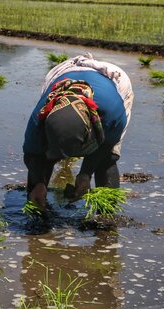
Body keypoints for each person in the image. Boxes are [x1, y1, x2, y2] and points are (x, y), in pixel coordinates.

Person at [23, 53, 134, 210]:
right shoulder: (38, 120)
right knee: (43, 158)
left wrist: (85, 174)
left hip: (113, 81)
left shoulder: (112, 115)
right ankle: (38, 205)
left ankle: (107, 216)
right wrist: (39, 183)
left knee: (106, 159)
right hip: (61, 75)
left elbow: (105, 146)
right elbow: (33, 154)